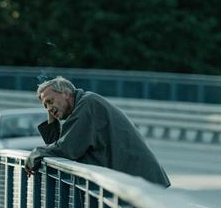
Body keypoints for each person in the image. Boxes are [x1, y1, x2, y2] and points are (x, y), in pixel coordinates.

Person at [23, 76, 171, 187]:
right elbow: (55, 144)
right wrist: (52, 111)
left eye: (50, 101)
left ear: (67, 93)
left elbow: (67, 148)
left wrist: (36, 152)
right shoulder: (82, 105)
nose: (48, 108)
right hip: (136, 182)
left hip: (142, 183)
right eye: (45, 106)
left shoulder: (88, 104)